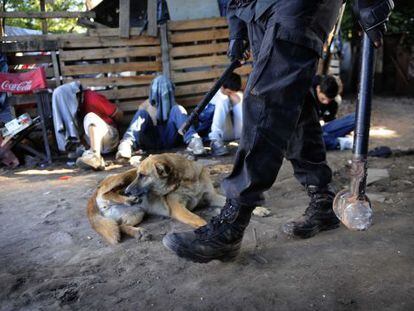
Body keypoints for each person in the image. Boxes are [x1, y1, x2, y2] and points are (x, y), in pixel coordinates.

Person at [162, 0, 394, 262]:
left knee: (267, 98)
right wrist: (238, 28)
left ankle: (232, 222)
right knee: (292, 99)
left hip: (297, 6)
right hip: (256, 9)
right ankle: (322, 197)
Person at [116, 75, 205, 161]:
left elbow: (179, 125)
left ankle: (194, 140)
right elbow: (139, 129)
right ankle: (126, 144)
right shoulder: (145, 106)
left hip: (169, 137)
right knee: (141, 113)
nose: (162, 94)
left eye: (165, 91)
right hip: (151, 139)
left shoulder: (175, 107)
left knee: (178, 109)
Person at [76, 88, 123, 170]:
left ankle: (95, 156)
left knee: (90, 116)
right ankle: (98, 161)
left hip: (109, 137)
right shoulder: (71, 109)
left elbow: (119, 114)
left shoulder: (92, 97)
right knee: (82, 155)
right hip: (95, 146)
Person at [311, 75, 356, 151]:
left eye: (329, 100)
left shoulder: (334, 101)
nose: (326, 102)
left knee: (358, 118)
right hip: (303, 132)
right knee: (306, 141)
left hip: (319, 131)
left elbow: (329, 120)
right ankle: (338, 142)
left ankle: (328, 138)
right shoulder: (306, 93)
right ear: (318, 89)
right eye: (323, 99)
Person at [209, 72, 244, 156]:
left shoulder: (235, 94)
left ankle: (249, 134)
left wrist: (236, 101)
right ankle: (215, 140)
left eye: (232, 92)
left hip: (237, 134)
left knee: (239, 96)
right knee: (223, 99)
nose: (231, 94)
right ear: (222, 87)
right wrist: (228, 99)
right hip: (220, 133)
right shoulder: (215, 95)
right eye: (229, 92)